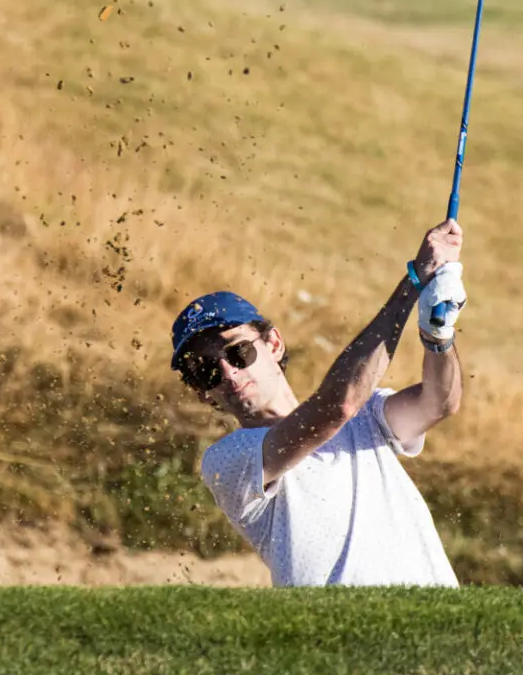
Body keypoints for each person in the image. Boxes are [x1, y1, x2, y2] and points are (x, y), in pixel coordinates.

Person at [169, 219, 468, 588]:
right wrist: (414, 282)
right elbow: (336, 406)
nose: (228, 374)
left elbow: (439, 402)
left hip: (441, 625)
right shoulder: (228, 460)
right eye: (207, 372)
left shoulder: (368, 416)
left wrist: (437, 336)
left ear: (274, 344)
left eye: (239, 352)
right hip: (343, 639)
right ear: (202, 393)